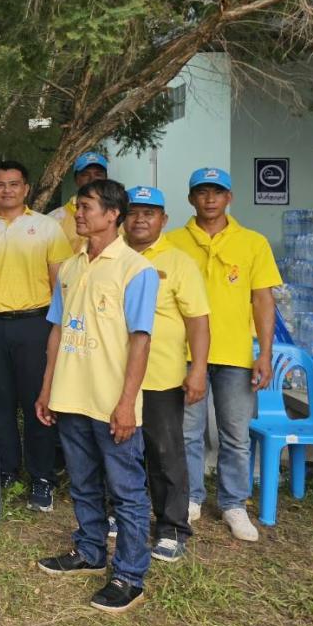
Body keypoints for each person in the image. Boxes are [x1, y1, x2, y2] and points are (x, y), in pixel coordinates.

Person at [36, 178, 159, 614]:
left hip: (112, 403)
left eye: (86, 207)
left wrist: (126, 403)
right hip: (71, 397)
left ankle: (129, 575)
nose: (78, 214)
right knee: (84, 484)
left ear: (113, 215)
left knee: (126, 491)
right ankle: (89, 551)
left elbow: (140, 340)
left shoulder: (135, 269)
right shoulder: (70, 268)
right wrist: (49, 388)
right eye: (77, 207)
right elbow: (57, 330)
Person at [169, 167, 282, 542]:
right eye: (202, 192)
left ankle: (234, 503)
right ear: (191, 199)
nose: (210, 199)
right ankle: (191, 498)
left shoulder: (253, 243)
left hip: (235, 354)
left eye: (217, 192)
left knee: (235, 433)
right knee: (187, 432)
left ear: (229, 197)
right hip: (183, 353)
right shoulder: (172, 242)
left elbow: (263, 300)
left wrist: (263, 353)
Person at [0, 160, 73, 511]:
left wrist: (57, 328)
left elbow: (58, 282)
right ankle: (6, 470)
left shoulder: (47, 227)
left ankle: (42, 478)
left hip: (35, 324)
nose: (7, 190)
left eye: (14, 184)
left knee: (37, 403)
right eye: (0, 184)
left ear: (26, 188)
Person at [122, 186, 210, 562]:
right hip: (115, 374)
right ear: (121, 216)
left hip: (160, 375)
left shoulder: (178, 262)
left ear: (163, 220)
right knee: (120, 449)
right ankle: (120, 513)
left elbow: (198, 322)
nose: (141, 219)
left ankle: (172, 527)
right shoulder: (112, 257)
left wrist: (199, 369)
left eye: (150, 213)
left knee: (165, 452)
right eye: (134, 212)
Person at [53, 152, 110, 252]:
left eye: (98, 174)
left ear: (106, 178)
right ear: (76, 179)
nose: (92, 179)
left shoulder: (119, 216)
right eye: (85, 174)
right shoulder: (56, 219)